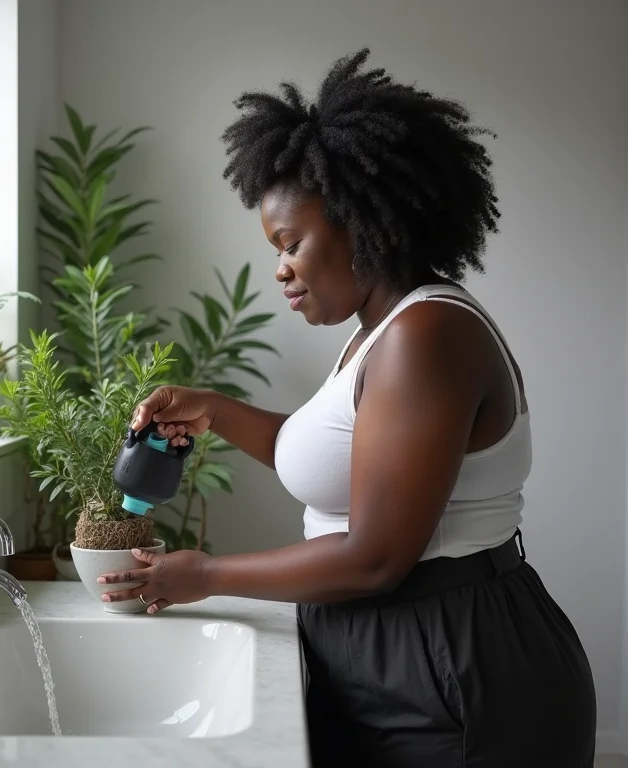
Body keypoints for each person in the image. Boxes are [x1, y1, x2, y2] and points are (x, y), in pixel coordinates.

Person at [97, 49, 597, 767]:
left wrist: (204, 574)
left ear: (361, 222)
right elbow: (336, 460)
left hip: (450, 659)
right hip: (390, 651)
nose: (280, 269)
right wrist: (214, 409)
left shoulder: (426, 336)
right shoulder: (378, 334)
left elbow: (375, 558)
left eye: (290, 243)